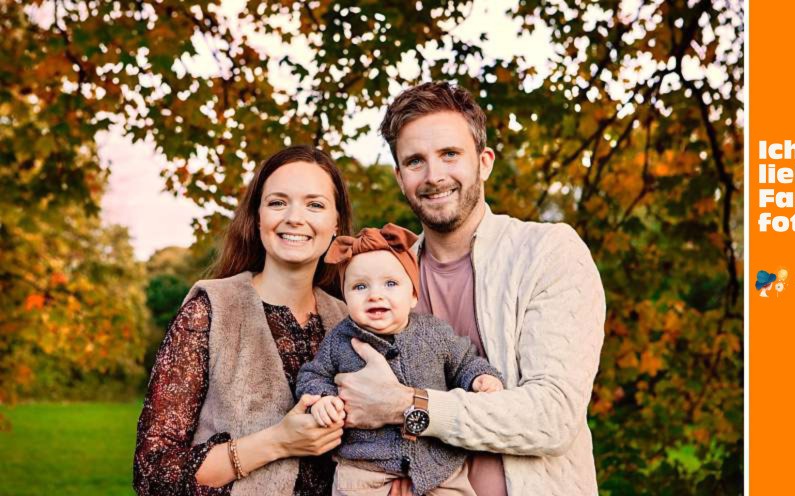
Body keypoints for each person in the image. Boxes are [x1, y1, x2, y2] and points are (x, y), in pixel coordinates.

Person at [333, 82, 606, 495]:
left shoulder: (548, 253)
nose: (434, 176)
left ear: (484, 162)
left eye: (449, 154)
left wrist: (408, 405)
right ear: (399, 176)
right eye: (415, 161)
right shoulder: (383, 283)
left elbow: (553, 416)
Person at [134, 145, 354, 496]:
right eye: (278, 202)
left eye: (314, 204)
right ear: (257, 217)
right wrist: (279, 442)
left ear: (336, 223)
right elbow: (152, 473)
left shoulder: (352, 321)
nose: (295, 217)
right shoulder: (209, 311)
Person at [295, 224, 503, 496]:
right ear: (345, 297)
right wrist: (323, 398)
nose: (375, 294)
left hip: (438, 466)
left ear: (413, 295)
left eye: (391, 283)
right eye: (360, 286)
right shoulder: (340, 339)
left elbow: (464, 361)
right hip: (364, 470)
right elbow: (313, 374)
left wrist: (479, 377)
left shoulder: (433, 333)